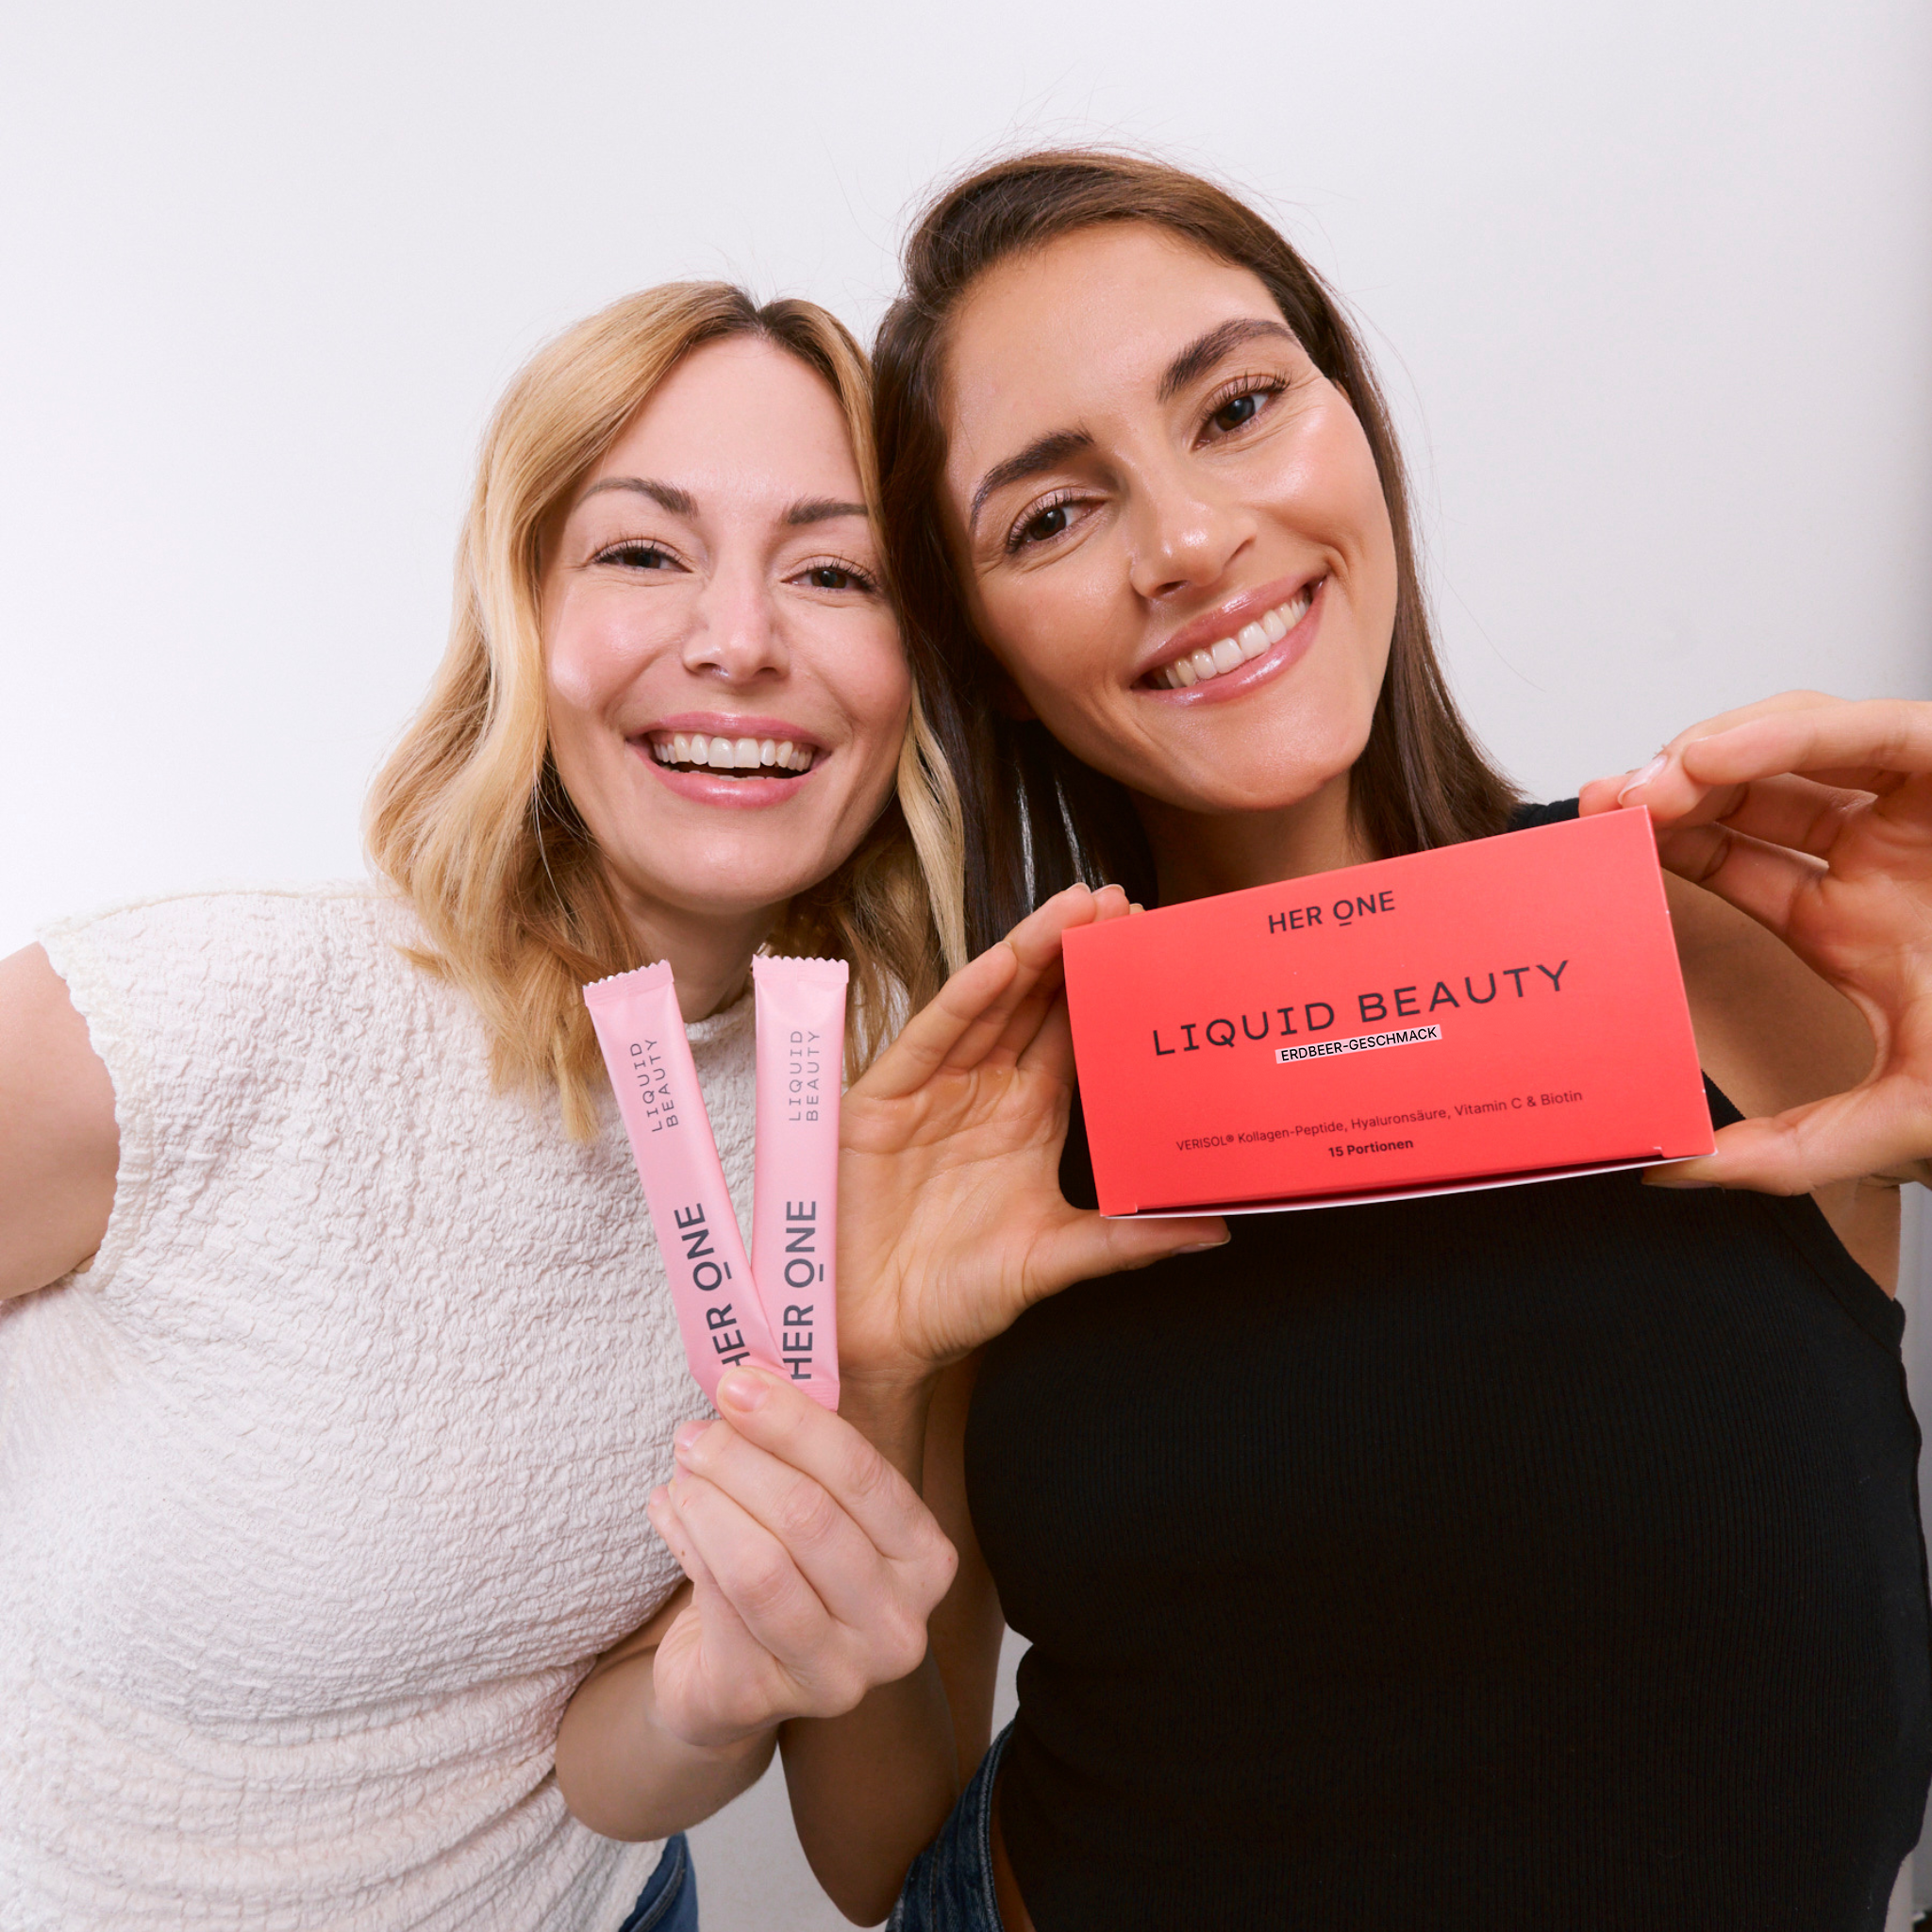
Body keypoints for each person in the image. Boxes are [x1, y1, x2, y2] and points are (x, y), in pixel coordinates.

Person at [0, 280, 1195, 1932]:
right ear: (525, 612)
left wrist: (718, 1690)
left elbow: (601, 1773)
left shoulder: (899, 1133)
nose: (739, 639)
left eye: (834, 571)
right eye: (643, 551)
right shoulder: (184, 1025)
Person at [832, 149, 1932, 1929]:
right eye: (1052, 515)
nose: (1189, 544)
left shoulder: (1736, 930)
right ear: (985, 650)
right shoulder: (988, 1130)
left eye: (1240, 405)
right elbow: (873, 1838)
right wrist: (868, 1372)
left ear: (1354, 421)